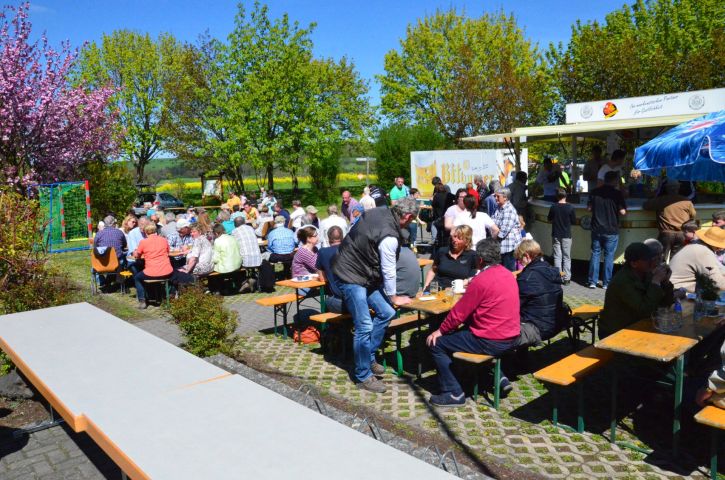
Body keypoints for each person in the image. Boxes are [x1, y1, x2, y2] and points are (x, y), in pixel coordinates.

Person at [331, 197, 419, 393]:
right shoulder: (389, 236)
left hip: (364, 273)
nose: (412, 223)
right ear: (406, 216)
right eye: (412, 219)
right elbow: (389, 270)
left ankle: (368, 355)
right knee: (364, 325)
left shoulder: (381, 211)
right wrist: (394, 297)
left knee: (387, 313)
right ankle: (363, 375)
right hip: (350, 275)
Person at [426, 238, 520, 407]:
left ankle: (453, 393)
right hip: (511, 335)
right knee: (465, 330)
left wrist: (439, 331)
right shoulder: (508, 274)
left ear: (480, 259)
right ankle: (500, 377)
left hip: (491, 340)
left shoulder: (481, 280)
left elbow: (458, 314)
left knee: (437, 343)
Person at [598, 242, 671, 339]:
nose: (652, 261)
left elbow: (665, 303)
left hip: (635, 326)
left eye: (652, 258)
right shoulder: (622, 281)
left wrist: (665, 283)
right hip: (615, 332)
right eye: (647, 259)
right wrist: (656, 282)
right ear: (634, 263)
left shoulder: (645, 274)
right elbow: (644, 310)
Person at [514, 239, 564, 347]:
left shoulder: (526, 278)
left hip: (539, 328)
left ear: (527, 256)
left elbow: (515, 307)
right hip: (558, 322)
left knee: (502, 331)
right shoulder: (552, 270)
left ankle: (517, 361)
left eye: (519, 259)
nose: (519, 263)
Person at [587, 171, 627, 289]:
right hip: (611, 229)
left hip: (596, 228)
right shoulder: (617, 194)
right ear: (614, 180)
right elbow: (622, 212)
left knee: (595, 254)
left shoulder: (594, 192)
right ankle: (606, 283)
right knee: (609, 256)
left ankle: (592, 282)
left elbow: (589, 208)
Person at [643, 179, 696, 261]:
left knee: (660, 259)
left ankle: (661, 273)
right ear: (678, 188)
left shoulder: (661, 200)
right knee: (676, 260)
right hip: (682, 234)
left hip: (666, 234)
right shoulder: (687, 201)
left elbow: (645, 206)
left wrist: (654, 195)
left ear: (666, 189)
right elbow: (693, 215)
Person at [422, 225, 478, 292]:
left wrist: (465, 284)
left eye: (459, 238)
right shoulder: (442, 251)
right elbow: (432, 271)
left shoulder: (472, 255)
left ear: (467, 241)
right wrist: (425, 289)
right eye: (454, 236)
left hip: (455, 292)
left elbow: (472, 278)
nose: (454, 240)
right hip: (435, 289)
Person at [669, 227, 725, 293]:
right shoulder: (703, 251)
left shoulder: (698, 246)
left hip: (675, 288)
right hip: (678, 292)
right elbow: (717, 284)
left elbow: (720, 269)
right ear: (718, 246)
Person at [132, 223, 174, 309]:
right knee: (173, 274)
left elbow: (137, 256)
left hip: (151, 272)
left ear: (145, 233)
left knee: (137, 277)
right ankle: (171, 296)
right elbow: (168, 251)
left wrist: (136, 251)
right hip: (166, 271)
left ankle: (142, 300)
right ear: (156, 231)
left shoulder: (143, 242)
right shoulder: (164, 240)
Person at [548, 188, 577, 284]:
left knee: (557, 256)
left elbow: (549, 219)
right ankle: (567, 278)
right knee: (566, 256)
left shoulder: (553, 207)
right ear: (566, 196)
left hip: (556, 233)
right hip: (566, 234)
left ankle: (558, 276)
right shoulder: (570, 207)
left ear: (557, 196)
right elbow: (573, 221)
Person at [316, 226, 346, 313]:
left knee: (327, 301)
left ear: (328, 239)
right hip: (360, 299)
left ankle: (330, 326)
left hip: (341, 302)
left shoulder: (323, 252)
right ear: (343, 237)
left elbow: (322, 278)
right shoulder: (351, 249)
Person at [491, 187, 522, 271]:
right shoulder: (498, 208)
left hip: (509, 247)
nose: (495, 198)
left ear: (505, 198)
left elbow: (503, 231)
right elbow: (492, 223)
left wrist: (494, 235)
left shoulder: (509, 210)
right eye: (495, 196)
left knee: (508, 271)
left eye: (498, 196)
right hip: (500, 246)